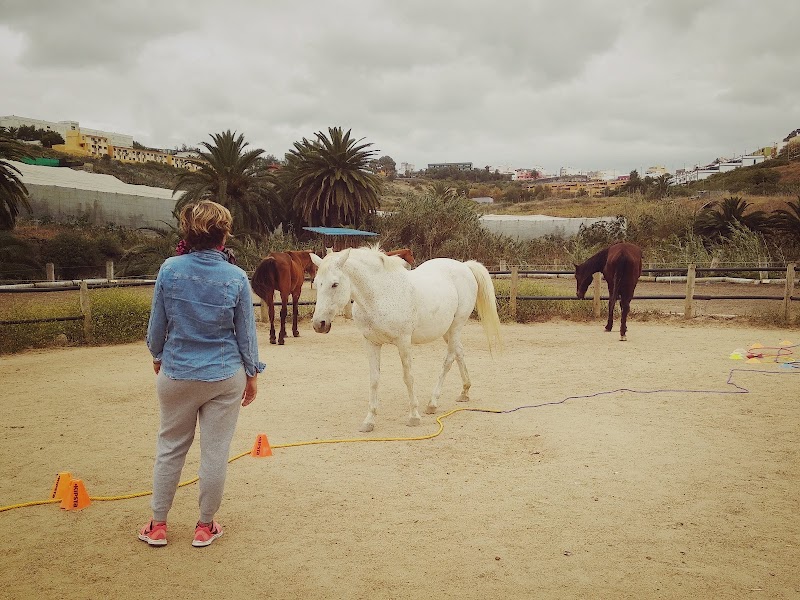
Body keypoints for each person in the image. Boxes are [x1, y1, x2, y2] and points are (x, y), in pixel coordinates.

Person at [139, 200, 265, 548]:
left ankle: (158, 525)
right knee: (215, 452)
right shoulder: (237, 276)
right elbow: (246, 334)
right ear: (224, 234)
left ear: (188, 232)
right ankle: (205, 526)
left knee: (170, 447)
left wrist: (157, 355)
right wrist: (252, 373)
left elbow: (156, 327)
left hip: (177, 372)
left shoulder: (169, 268)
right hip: (224, 376)